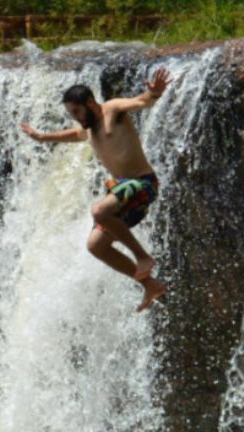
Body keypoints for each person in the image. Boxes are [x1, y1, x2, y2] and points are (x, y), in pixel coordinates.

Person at [20, 69, 173, 312]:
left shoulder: (111, 109)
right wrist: (42, 137)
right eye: (72, 114)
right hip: (126, 193)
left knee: (99, 210)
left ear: (90, 102)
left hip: (143, 183)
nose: (76, 118)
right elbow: (73, 134)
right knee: (96, 246)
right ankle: (149, 285)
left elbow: (140, 101)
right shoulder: (88, 129)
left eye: (78, 112)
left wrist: (153, 93)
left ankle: (143, 257)